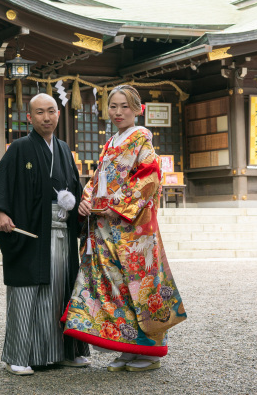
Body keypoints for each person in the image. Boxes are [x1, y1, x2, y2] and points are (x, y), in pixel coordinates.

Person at [61, 85, 187, 372]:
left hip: (132, 230)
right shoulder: (111, 142)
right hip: (106, 227)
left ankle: (151, 351)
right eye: (113, 106)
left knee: (140, 287)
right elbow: (97, 180)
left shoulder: (141, 138)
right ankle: (129, 346)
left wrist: (117, 206)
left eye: (124, 107)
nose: (118, 112)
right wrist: (86, 200)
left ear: (137, 109)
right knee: (115, 286)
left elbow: (149, 178)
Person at [0, 92, 91, 376]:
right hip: (32, 234)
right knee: (27, 292)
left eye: (51, 111)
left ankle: (64, 353)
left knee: (62, 292)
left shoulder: (64, 149)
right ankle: (17, 355)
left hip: (61, 234)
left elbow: (75, 189)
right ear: (29, 117)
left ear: (58, 114)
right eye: (39, 112)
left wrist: (83, 205)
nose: (46, 117)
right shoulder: (19, 148)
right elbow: (0, 184)